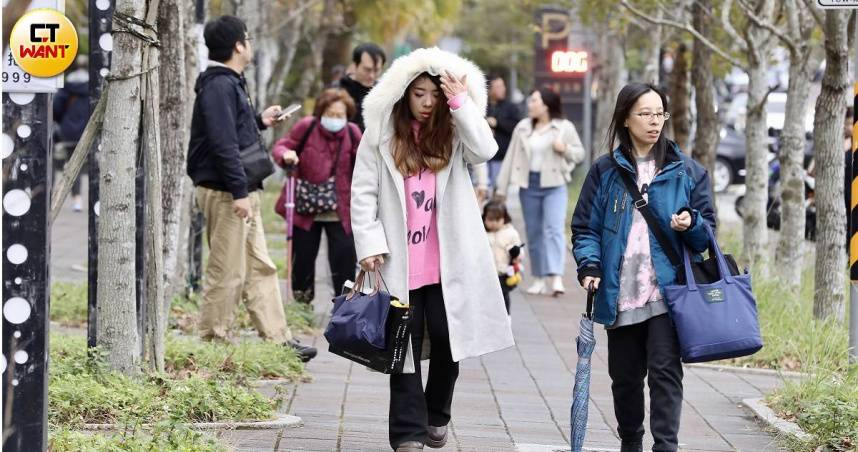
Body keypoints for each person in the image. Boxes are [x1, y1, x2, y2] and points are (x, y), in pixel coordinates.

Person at [350, 47, 515, 452]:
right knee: (403, 345)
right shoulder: (382, 135)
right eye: (418, 93)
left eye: (434, 95)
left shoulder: (455, 132)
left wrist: (460, 101)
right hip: (398, 262)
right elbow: (362, 192)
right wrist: (369, 243)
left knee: (447, 338)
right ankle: (408, 433)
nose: (426, 102)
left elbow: (487, 149)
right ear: (404, 93)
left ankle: (437, 414)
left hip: (448, 262)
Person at [570, 83, 716, 452]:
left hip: (670, 293)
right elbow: (585, 226)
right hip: (620, 294)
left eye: (660, 114)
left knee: (666, 373)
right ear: (625, 118)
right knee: (625, 378)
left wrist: (691, 225)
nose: (655, 122)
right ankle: (631, 442)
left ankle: (666, 446)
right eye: (645, 114)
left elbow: (708, 236)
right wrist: (589, 265)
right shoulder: (605, 171)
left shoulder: (688, 172)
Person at [186, 15, 316, 362]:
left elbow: (233, 132)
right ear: (238, 46)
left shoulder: (230, 83)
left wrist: (260, 121)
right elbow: (222, 144)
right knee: (228, 270)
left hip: (240, 188)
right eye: (248, 39)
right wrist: (239, 192)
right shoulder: (218, 85)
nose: (250, 45)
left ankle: (277, 338)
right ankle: (212, 340)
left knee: (260, 267)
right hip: (228, 191)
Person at [271, 88, 361, 303]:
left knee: (344, 261)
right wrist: (286, 155)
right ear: (321, 112)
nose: (335, 119)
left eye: (340, 115)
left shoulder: (353, 133)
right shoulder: (307, 126)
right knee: (302, 260)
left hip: (341, 209)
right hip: (305, 208)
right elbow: (282, 146)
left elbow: (366, 164)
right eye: (330, 114)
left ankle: (343, 308)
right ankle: (303, 303)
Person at [495, 87, 585, 296]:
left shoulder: (563, 127)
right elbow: (510, 159)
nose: (530, 104)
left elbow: (579, 154)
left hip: (555, 185)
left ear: (546, 104)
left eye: (534, 100)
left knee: (553, 230)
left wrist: (565, 149)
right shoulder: (523, 128)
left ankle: (555, 278)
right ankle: (538, 278)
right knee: (534, 233)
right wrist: (501, 189)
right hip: (529, 184)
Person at [53, 55, 90, 212]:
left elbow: (56, 108)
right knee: (82, 166)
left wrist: (63, 123)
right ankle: (83, 200)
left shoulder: (66, 87)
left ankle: (73, 199)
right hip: (87, 131)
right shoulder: (93, 85)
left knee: (69, 164)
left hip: (67, 132)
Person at [483, 200, 524, 314]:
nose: (494, 223)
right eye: (490, 220)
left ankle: (506, 318)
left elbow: (519, 249)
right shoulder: (481, 233)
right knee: (486, 298)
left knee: (503, 297)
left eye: (497, 220)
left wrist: (517, 255)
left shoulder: (510, 233)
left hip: (503, 272)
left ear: (504, 218)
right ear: (484, 218)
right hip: (485, 273)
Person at [485, 75, 521, 193]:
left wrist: (497, 123)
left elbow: (516, 127)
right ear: (490, 90)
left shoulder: (511, 107)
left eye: (503, 86)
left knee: (498, 192)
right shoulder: (483, 106)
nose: (502, 89)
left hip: (501, 158)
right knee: (482, 191)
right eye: (498, 86)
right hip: (483, 158)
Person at [339, 43, 386, 131]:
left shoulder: (384, 93)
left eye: (376, 70)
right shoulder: (338, 90)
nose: (372, 75)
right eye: (367, 70)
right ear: (355, 65)